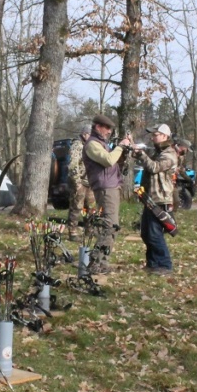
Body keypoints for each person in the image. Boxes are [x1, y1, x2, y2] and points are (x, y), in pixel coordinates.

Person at [81, 114, 131, 274]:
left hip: (111, 187)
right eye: (107, 128)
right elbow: (108, 160)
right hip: (105, 189)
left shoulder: (102, 143)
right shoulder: (92, 145)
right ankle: (95, 263)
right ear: (97, 127)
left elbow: (114, 163)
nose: (109, 131)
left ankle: (102, 263)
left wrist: (126, 151)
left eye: (110, 129)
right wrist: (121, 146)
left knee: (111, 226)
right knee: (109, 226)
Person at [133, 123, 179, 274]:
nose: (152, 137)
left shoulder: (169, 154)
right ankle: (152, 263)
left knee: (154, 234)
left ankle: (164, 265)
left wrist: (141, 154)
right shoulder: (158, 151)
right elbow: (147, 163)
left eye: (156, 135)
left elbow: (153, 167)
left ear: (165, 136)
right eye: (152, 135)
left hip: (161, 198)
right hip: (150, 198)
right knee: (146, 233)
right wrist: (135, 151)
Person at [66, 124, 95, 241]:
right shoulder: (77, 146)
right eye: (90, 134)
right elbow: (73, 165)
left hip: (90, 182)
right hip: (80, 183)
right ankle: (72, 232)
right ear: (84, 134)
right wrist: (77, 182)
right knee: (76, 207)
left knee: (91, 208)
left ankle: (90, 230)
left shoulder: (90, 146)